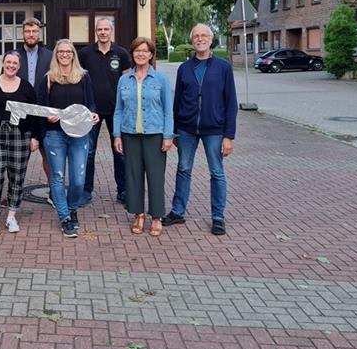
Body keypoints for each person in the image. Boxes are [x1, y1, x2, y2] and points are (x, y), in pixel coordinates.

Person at [162, 24, 238, 236]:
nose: (200, 39)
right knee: (184, 169)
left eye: (204, 35)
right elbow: (177, 102)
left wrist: (228, 136)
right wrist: (175, 130)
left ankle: (217, 216)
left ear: (211, 39)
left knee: (217, 172)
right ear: (192, 40)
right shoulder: (184, 68)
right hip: (186, 129)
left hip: (214, 129)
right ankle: (178, 211)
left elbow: (231, 102)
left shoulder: (223, 67)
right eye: (196, 36)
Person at [37, 39, 99, 238]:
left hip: (79, 134)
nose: (64, 55)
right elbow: (41, 107)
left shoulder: (84, 77)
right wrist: (48, 116)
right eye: (60, 52)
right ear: (56, 55)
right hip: (55, 134)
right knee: (57, 177)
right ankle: (64, 217)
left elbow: (90, 104)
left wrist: (93, 115)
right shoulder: (48, 78)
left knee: (79, 179)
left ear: (73, 54)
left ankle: (72, 208)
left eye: (68, 51)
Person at [113, 37, 174, 237]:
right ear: (132, 54)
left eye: (145, 51)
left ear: (151, 54)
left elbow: (168, 111)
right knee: (133, 177)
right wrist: (116, 135)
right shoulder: (124, 79)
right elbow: (118, 110)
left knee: (156, 177)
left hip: (155, 135)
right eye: (137, 50)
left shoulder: (161, 80)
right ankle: (138, 214)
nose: (141, 54)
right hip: (130, 135)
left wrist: (168, 136)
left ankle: (156, 217)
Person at [0, 51, 40, 235]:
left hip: (19, 136)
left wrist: (35, 137)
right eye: (8, 62)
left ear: (19, 67)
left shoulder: (26, 87)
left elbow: (34, 113)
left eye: (15, 63)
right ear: (3, 63)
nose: (11, 65)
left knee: (17, 177)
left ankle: (12, 215)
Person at [78, 18, 131, 206]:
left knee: (120, 151)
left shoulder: (122, 53)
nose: (103, 32)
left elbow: (128, 82)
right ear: (95, 32)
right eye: (99, 29)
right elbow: (80, 80)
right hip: (91, 111)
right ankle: (85, 191)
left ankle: (124, 190)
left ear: (112, 31)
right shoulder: (85, 53)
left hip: (117, 111)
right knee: (89, 152)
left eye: (106, 29)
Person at [16, 17, 53, 190]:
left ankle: (54, 192)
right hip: (21, 112)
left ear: (39, 33)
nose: (31, 35)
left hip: (44, 111)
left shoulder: (49, 55)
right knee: (18, 158)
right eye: (27, 31)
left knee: (49, 156)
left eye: (34, 31)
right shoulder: (14, 56)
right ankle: (14, 193)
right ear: (22, 33)